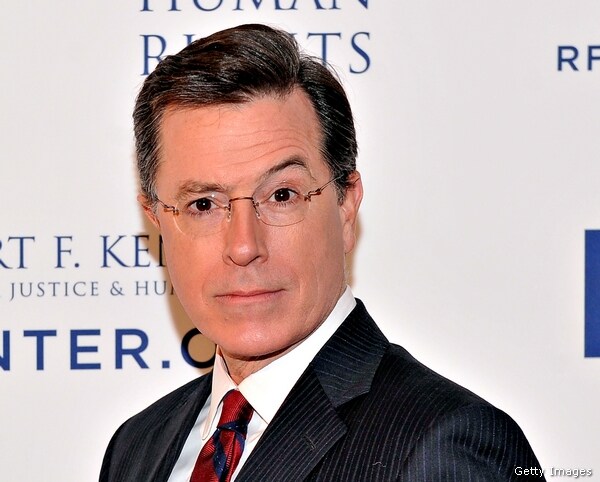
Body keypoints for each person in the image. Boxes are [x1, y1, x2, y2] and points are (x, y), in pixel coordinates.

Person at [100, 24, 544, 481]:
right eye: (203, 205)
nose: (244, 246)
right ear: (157, 220)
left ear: (346, 205)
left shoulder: (445, 443)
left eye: (282, 196)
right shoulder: (137, 447)